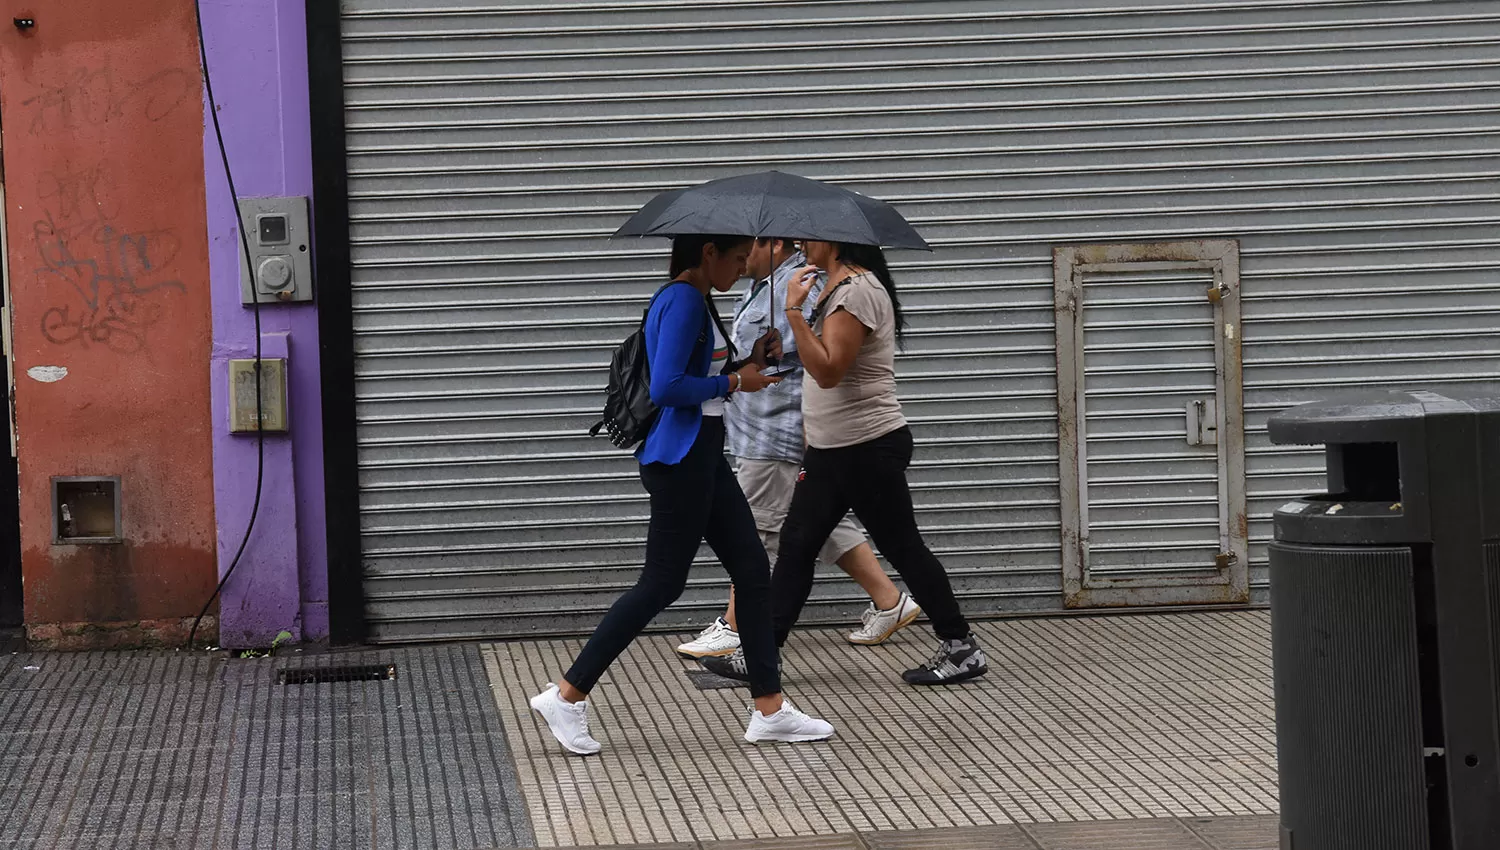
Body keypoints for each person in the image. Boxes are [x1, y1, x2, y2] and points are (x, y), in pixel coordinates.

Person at [529, 233, 835, 755]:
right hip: (681, 463)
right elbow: (669, 387)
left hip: (703, 458)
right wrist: (736, 385)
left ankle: (770, 709)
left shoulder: (699, 299)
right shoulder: (683, 299)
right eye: (737, 258)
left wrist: (748, 362)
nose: (743, 268)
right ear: (708, 252)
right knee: (660, 586)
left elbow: (703, 372)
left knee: (753, 575)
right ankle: (567, 695)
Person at [707, 240, 988, 686]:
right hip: (830, 449)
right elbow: (825, 359)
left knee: (903, 549)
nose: (801, 246)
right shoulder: (833, 287)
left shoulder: (855, 291)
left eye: (809, 238)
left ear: (834, 241)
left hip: (866, 447)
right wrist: (785, 345)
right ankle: (761, 657)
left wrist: (794, 313)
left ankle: (960, 647)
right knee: (797, 547)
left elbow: (831, 371)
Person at [675, 236, 922, 660]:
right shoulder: (762, 286)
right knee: (810, 524)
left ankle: (736, 627)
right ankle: (889, 600)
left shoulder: (802, 285)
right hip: (754, 426)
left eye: (746, 249)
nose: (740, 259)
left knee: (753, 527)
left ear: (772, 245)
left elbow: (822, 357)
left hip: (779, 428)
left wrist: (787, 326)